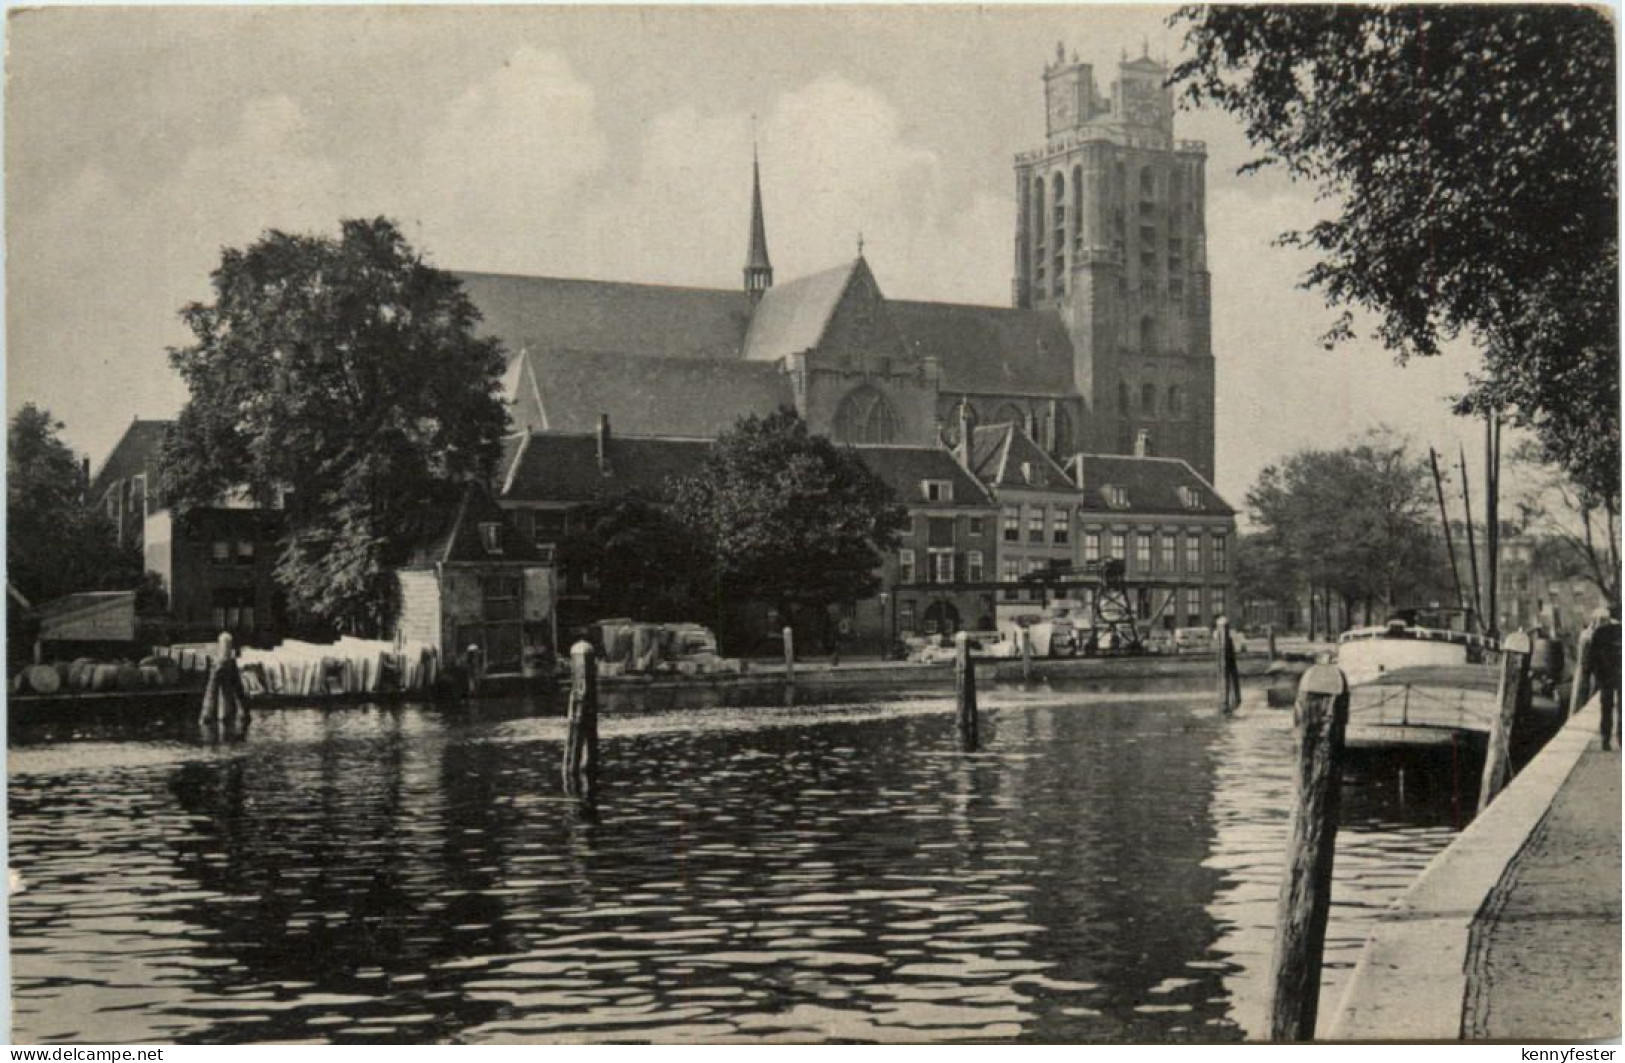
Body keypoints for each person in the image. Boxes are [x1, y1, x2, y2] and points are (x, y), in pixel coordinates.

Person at [1585, 604, 1621, 750]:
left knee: (1606, 708)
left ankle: (1605, 739)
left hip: (1605, 676)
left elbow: (1592, 657)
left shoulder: (1599, 632)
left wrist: (1594, 673)